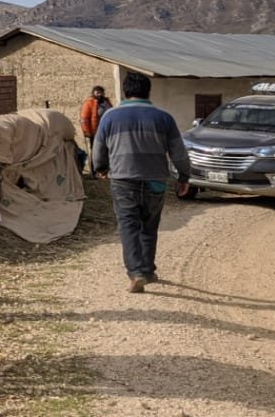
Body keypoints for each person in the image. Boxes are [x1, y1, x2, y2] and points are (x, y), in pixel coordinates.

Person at [92, 72, 192, 294]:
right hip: (155, 180)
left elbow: (98, 149)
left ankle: (136, 272)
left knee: (128, 226)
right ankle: (147, 270)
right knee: (149, 225)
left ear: (125, 92)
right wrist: (184, 177)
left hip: (123, 180)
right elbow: (179, 152)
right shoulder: (163, 118)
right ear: (148, 92)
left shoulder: (109, 117)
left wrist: (101, 168)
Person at [80, 85, 112, 154]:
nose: (99, 94)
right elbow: (84, 119)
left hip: (108, 131)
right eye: (97, 92)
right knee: (96, 151)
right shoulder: (89, 103)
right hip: (95, 133)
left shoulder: (107, 102)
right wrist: (87, 132)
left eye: (101, 92)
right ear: (93, 93)